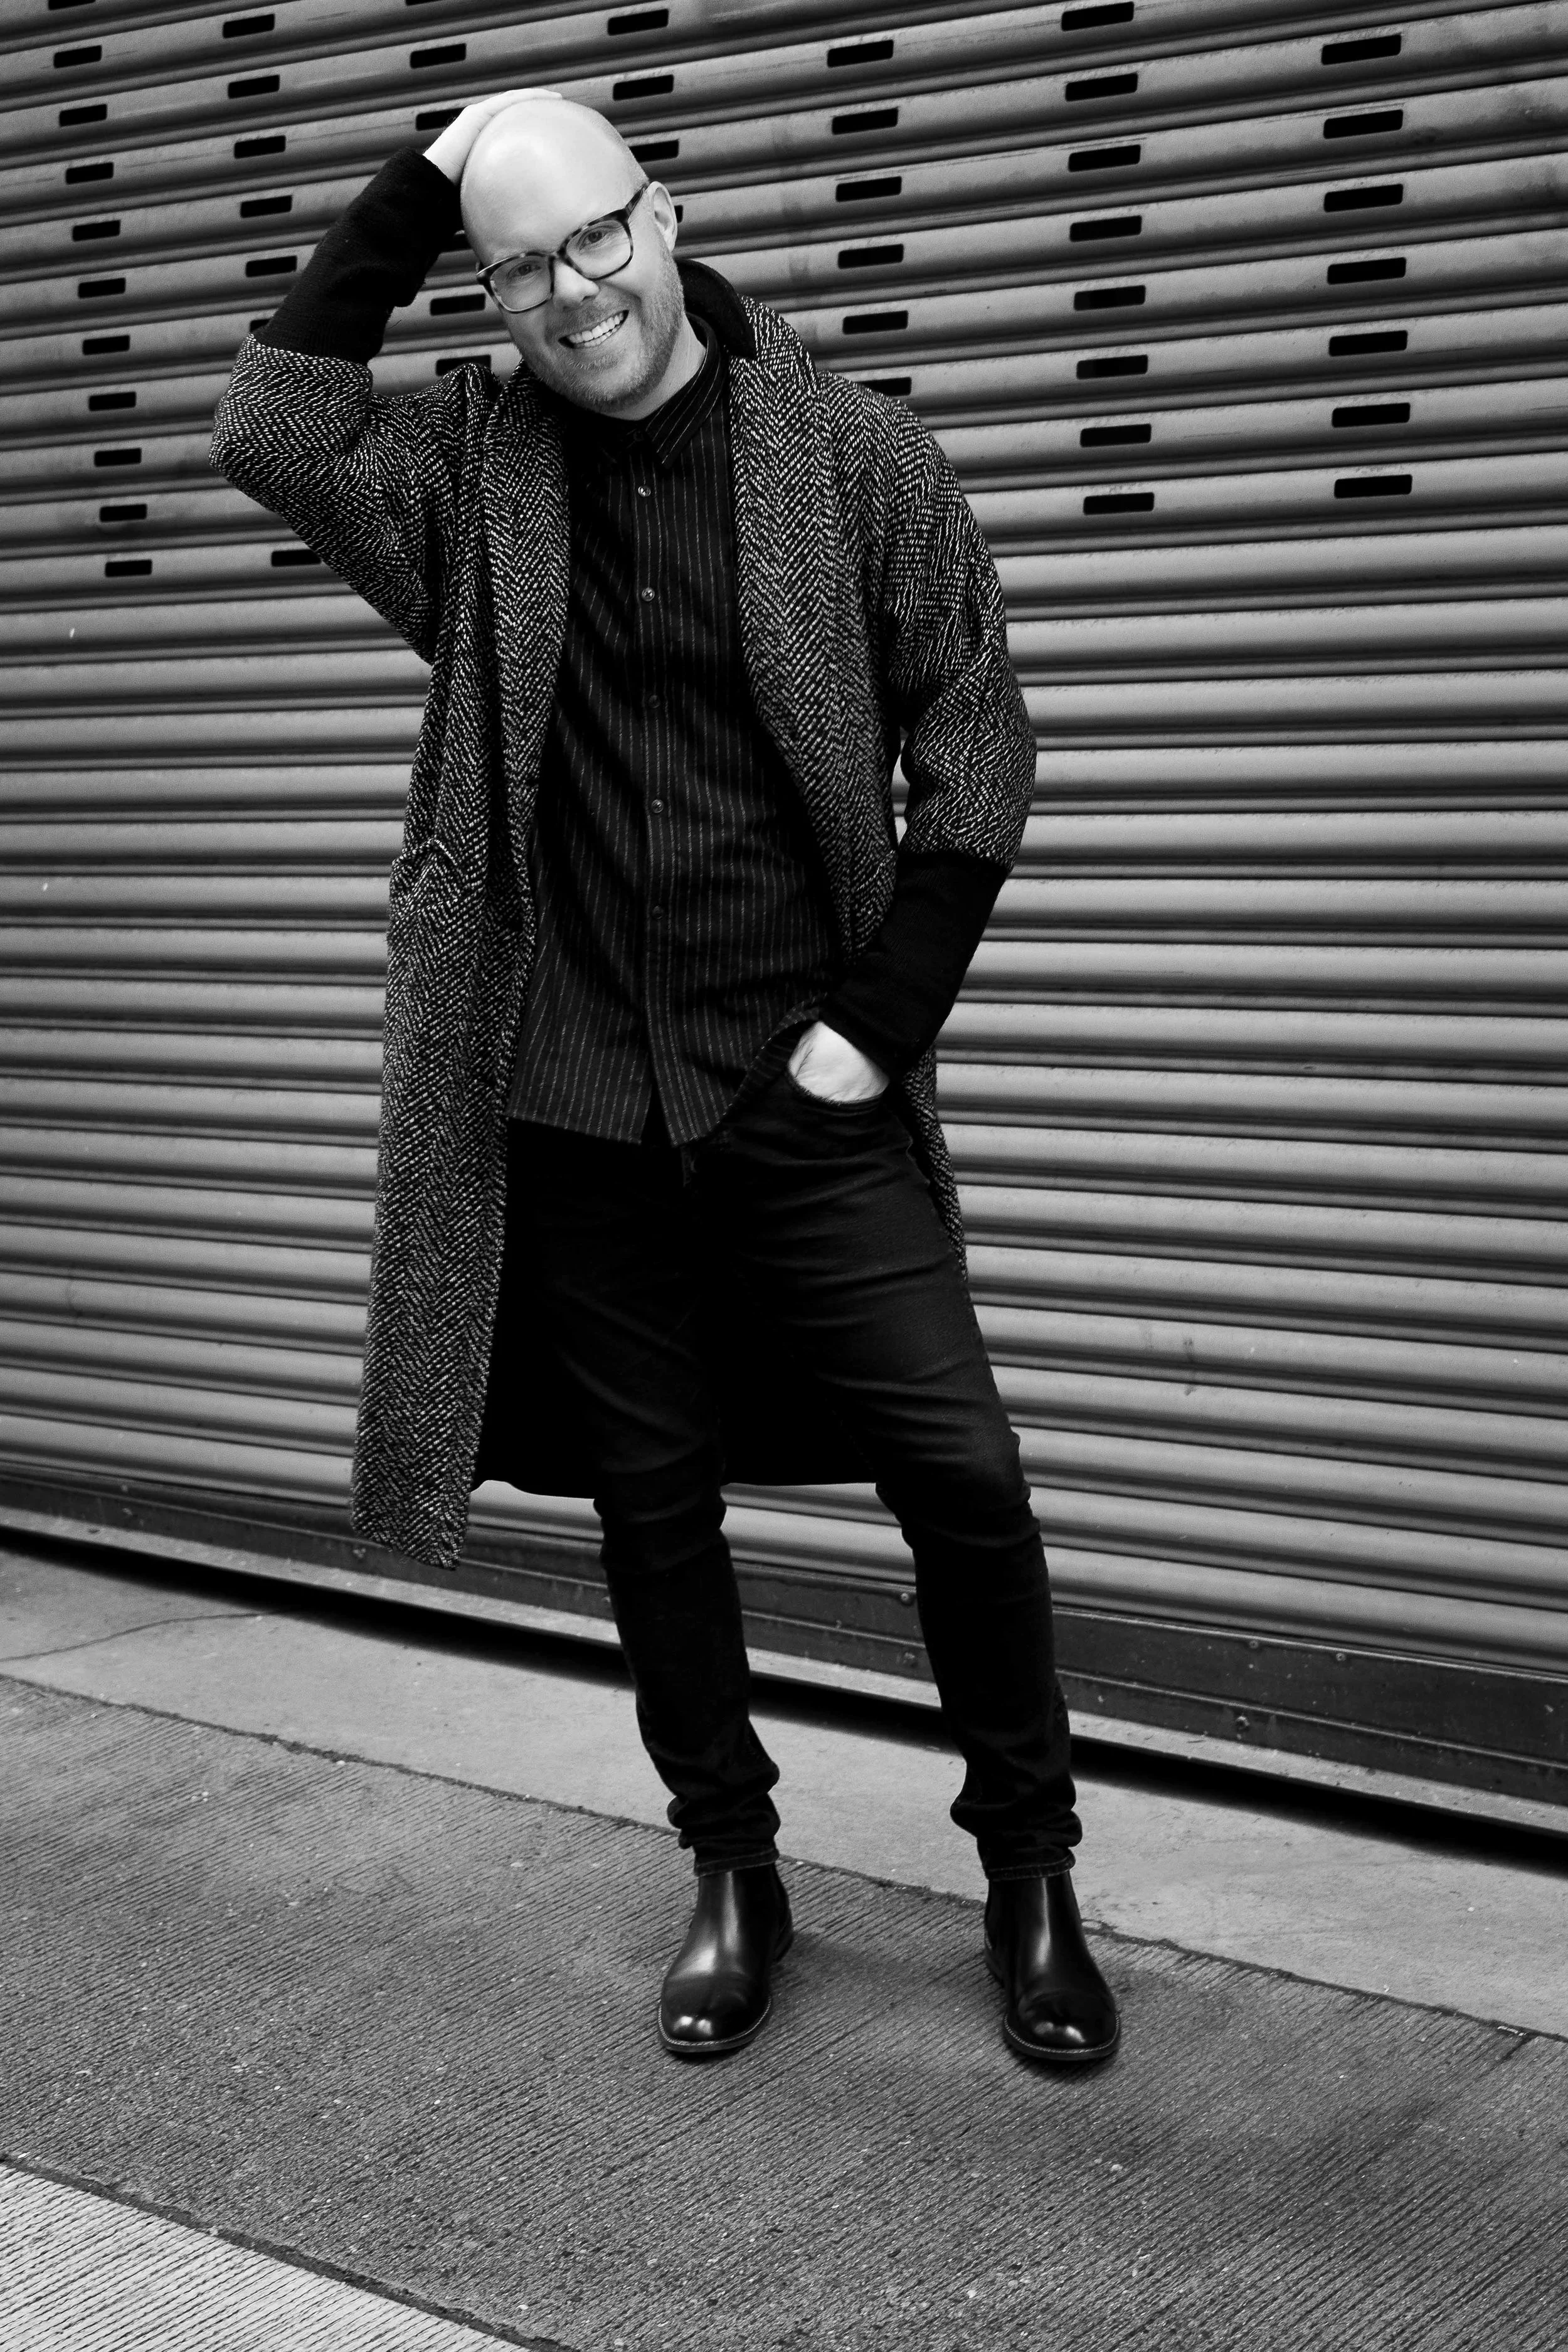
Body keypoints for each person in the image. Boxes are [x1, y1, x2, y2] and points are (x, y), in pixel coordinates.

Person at [211, 88, 1120, 2069]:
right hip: (571, 1096)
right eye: (518, 265)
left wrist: (869, 1029)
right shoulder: (470, 465)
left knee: (961, 1476)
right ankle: (733, 1863)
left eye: (595, 238)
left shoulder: (843, 446)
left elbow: (975, 730)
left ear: (665, 211)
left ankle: (1028, 1868)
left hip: (799, 1085)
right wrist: (435, 163)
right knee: (652, 1510)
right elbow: (269, 425)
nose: (571, 294)